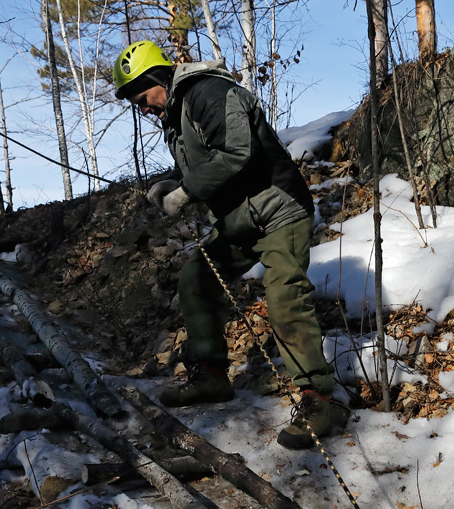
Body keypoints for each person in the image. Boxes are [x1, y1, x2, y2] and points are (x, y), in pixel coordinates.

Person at [113, 40, 345, 450]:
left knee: (284, 296)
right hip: (240, 220)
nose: (143, 109)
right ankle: (212, 377)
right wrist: (175, 183)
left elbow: (238, 152)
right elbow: (207, 163)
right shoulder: (178, 112)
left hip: (278, 210)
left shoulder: (208, 92)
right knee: (196, 281)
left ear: (156, 78)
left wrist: (186, 192)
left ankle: (318, 399)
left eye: (141, 97)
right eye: (136, 104)